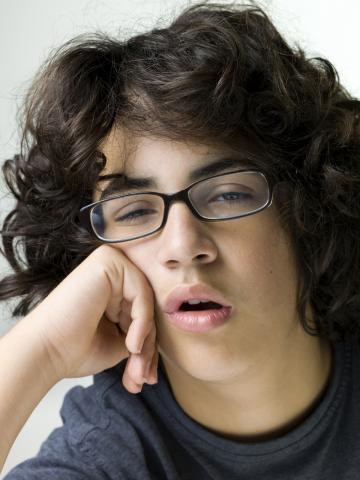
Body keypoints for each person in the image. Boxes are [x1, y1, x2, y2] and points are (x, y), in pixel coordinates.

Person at [0, 1, 360, 478]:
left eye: (229, 194)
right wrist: (41, 349)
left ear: (310, 210)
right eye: (133, 210)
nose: (183, 245)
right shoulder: (104, 449)